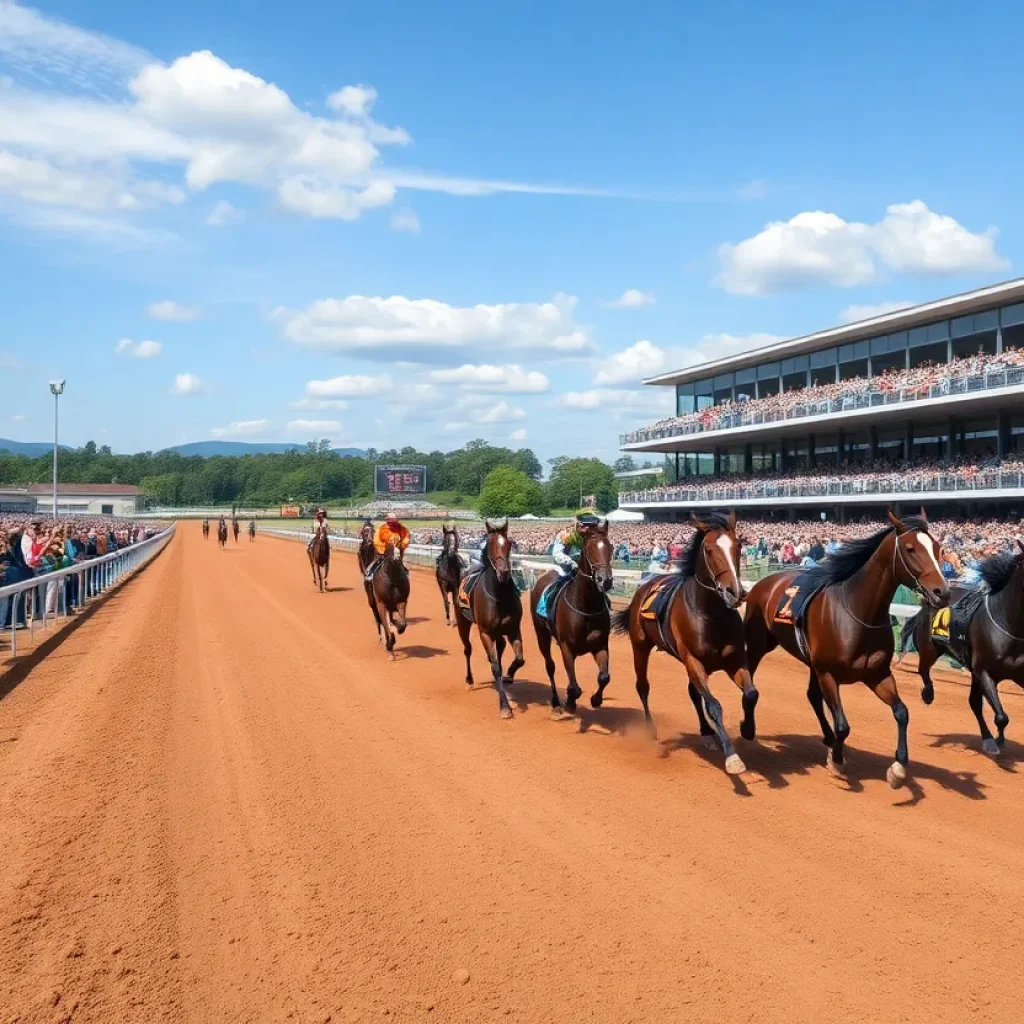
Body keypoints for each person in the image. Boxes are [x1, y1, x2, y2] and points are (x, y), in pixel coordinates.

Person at [364, 512, 410, 580]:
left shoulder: (402, 529)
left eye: (393, 522)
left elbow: (406, 538)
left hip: (397, 550)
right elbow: (377, 540)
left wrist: (402, 545)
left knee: (399, 562)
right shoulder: (381, 529)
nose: (392, 523)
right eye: (390, 522)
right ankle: (370, 573)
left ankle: (404, 573)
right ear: (387, 521)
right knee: (378, 560)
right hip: (383, 550)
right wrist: (385, 548)